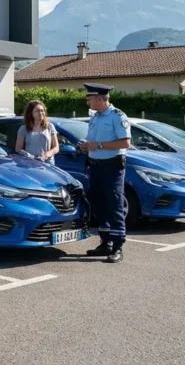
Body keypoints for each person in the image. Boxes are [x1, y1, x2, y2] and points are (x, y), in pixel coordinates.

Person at [81, 83, 131, 263]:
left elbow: (125, 142)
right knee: (97, 202)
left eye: (90, 98)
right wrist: (86, 145)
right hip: (96, 165)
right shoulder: (96, 117)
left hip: (112, 166)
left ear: (101, 99)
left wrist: (99, 146)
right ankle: (106, 242)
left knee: (114, 203)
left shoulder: (117, 116)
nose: (88, 102)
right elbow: (93, 140)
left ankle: (117, 247)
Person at [15, 100, 59, 164]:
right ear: (31, 113)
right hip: (31, 163)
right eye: (37, 111)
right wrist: (29, 156)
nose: (41, 113)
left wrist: (46, 155)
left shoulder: (50, 127)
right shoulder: (24, 129)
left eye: (42, 110)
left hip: (48, 163)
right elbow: (18, 148)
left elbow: (56, 147)